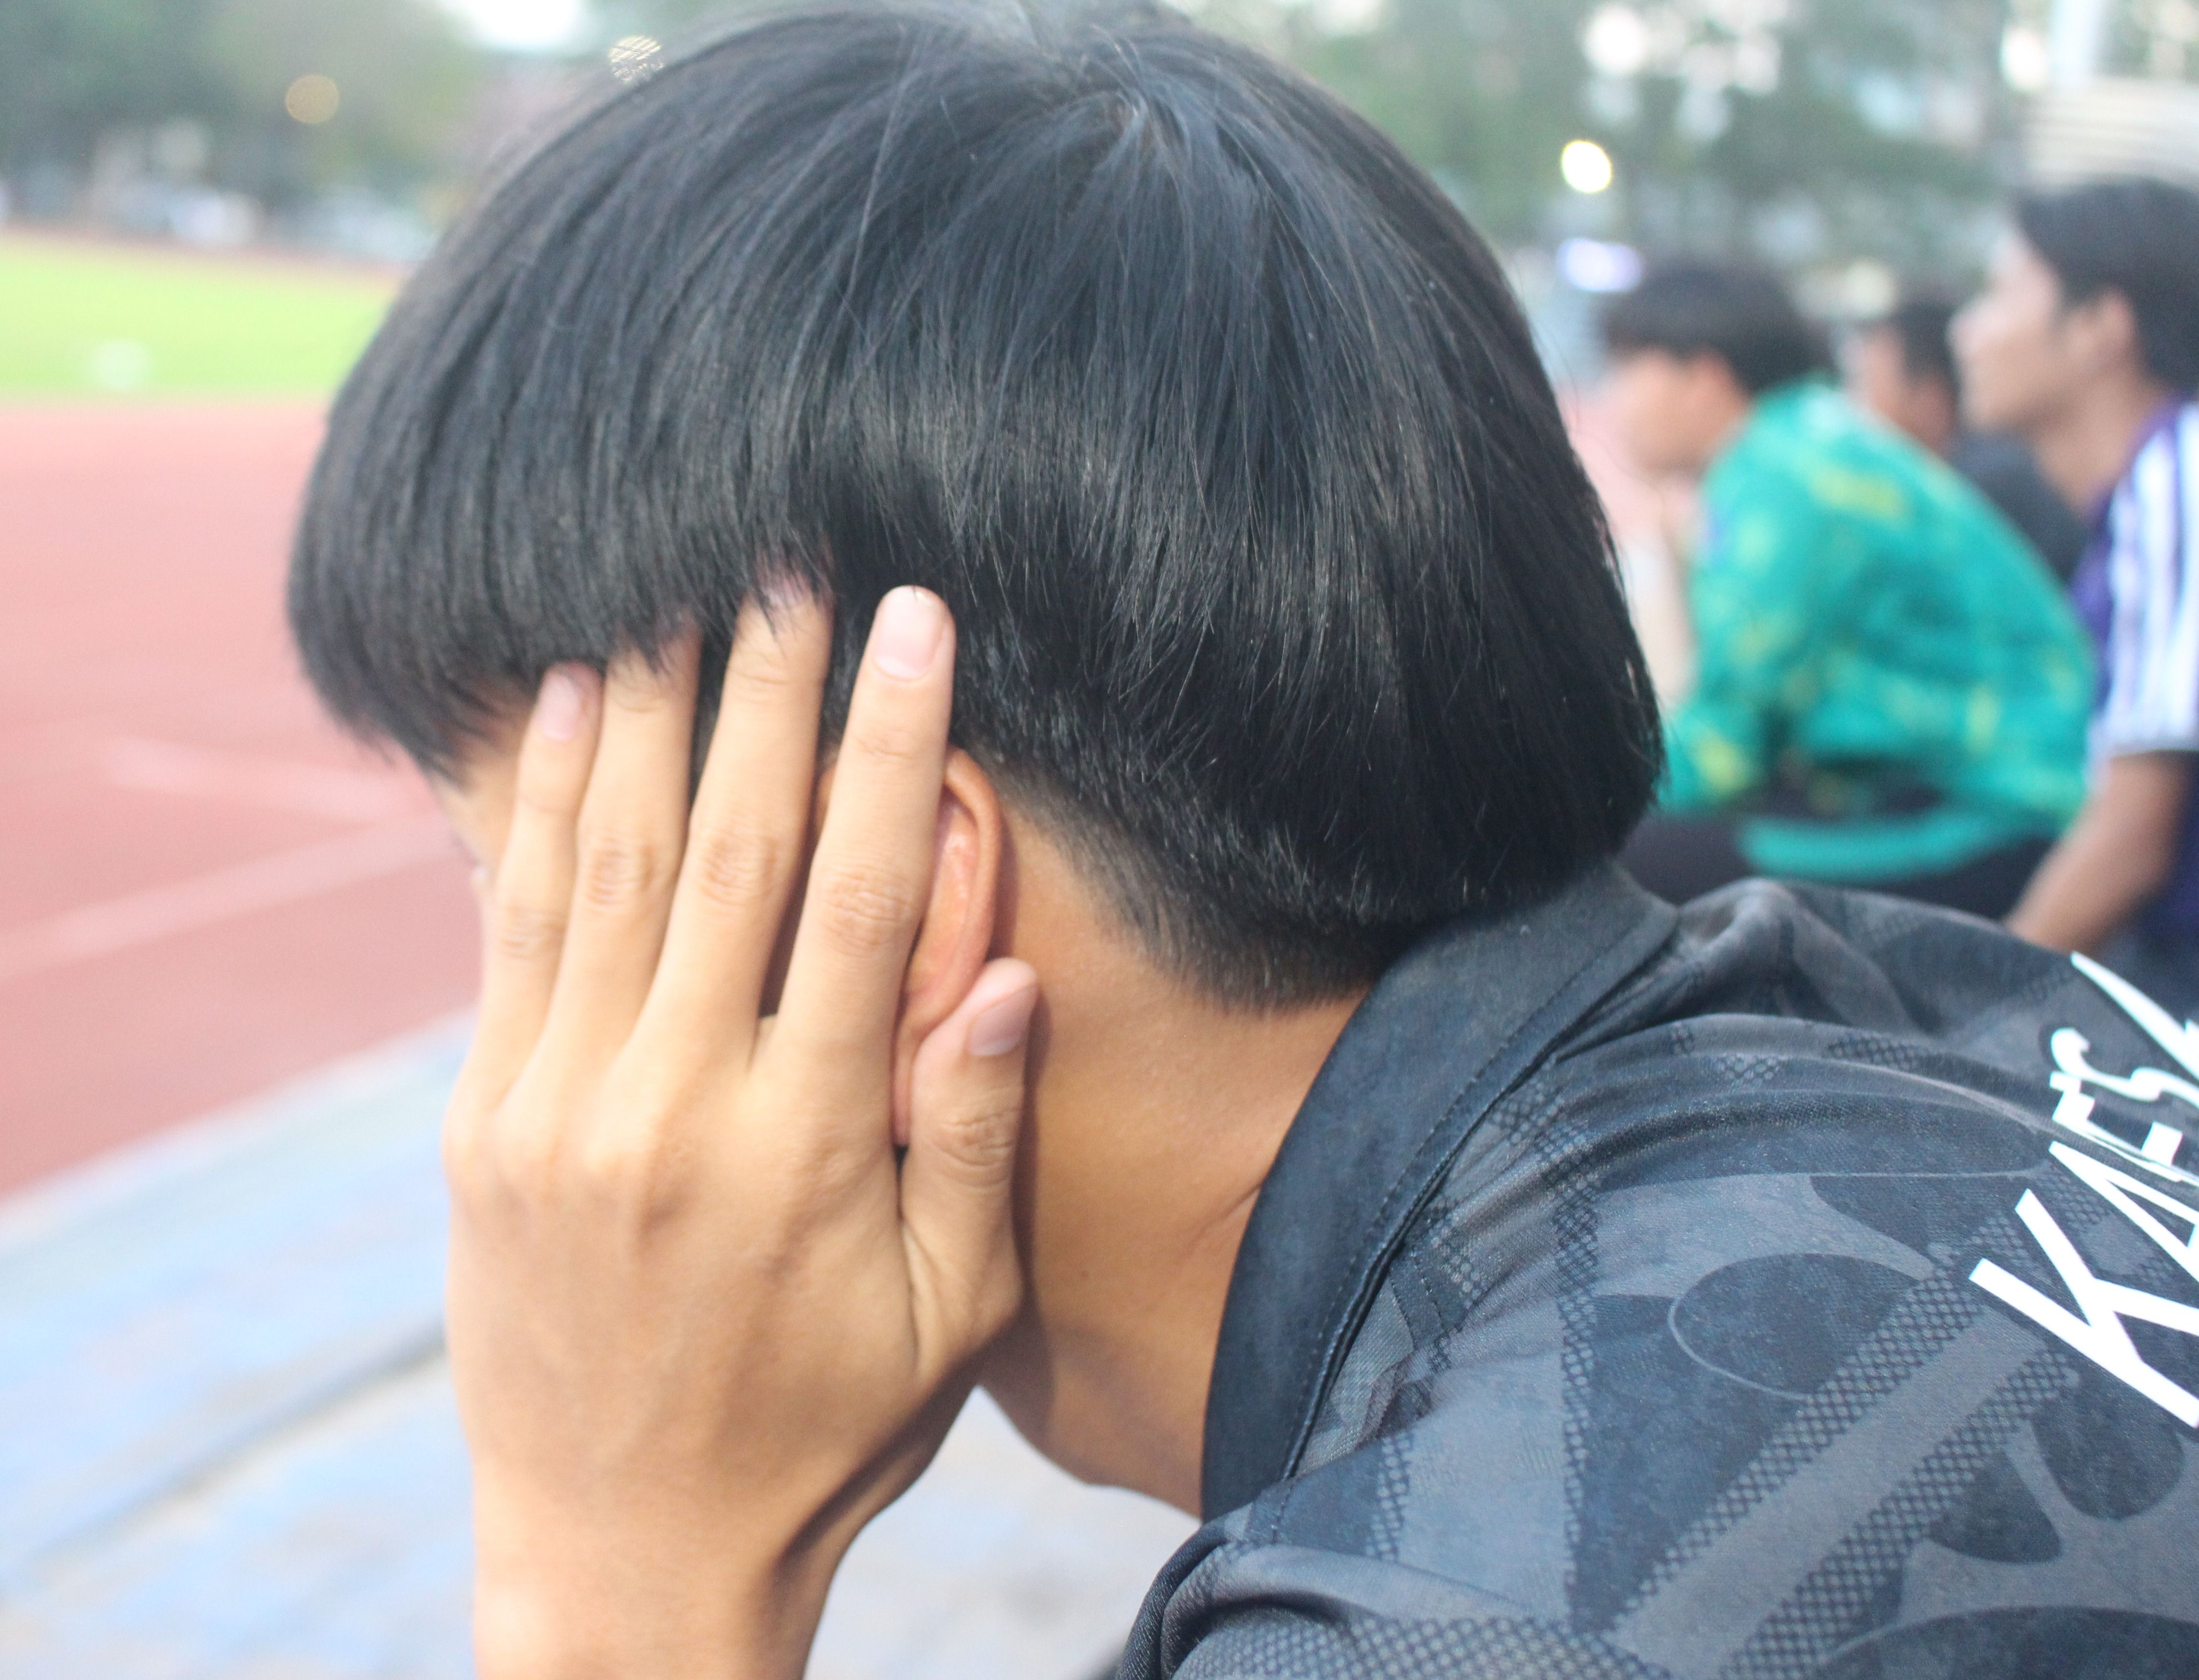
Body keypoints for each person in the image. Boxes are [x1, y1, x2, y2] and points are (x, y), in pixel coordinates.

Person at [288, 8, 2199, 1675]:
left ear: (873, 902)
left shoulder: (1479, 1624)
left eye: (526, 885)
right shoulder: (1914, 1009)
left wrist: (622, 1582)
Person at [1600, 260, 2091, 916]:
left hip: (1992, 813)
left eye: (1628, 370)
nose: (1614, 401)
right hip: (1966, 790)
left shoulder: (1778, 479)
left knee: (1619, 857)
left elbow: (1724, 746)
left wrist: (1567, 803)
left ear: (1703, 378)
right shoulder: (1807, 439)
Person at [1962, 178, 2199, 1014]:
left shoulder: (2176, 477)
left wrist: (1972, 1024)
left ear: (2099, 323)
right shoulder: (2146, 488)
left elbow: (2131, 837)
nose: (1967, 332)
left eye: (1997, 296)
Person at [1847, 292, 2086, 579]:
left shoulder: (1983, 488)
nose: (1852, 409)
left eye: (1867, 384)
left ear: (1929, 401)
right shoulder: (1981, 470)